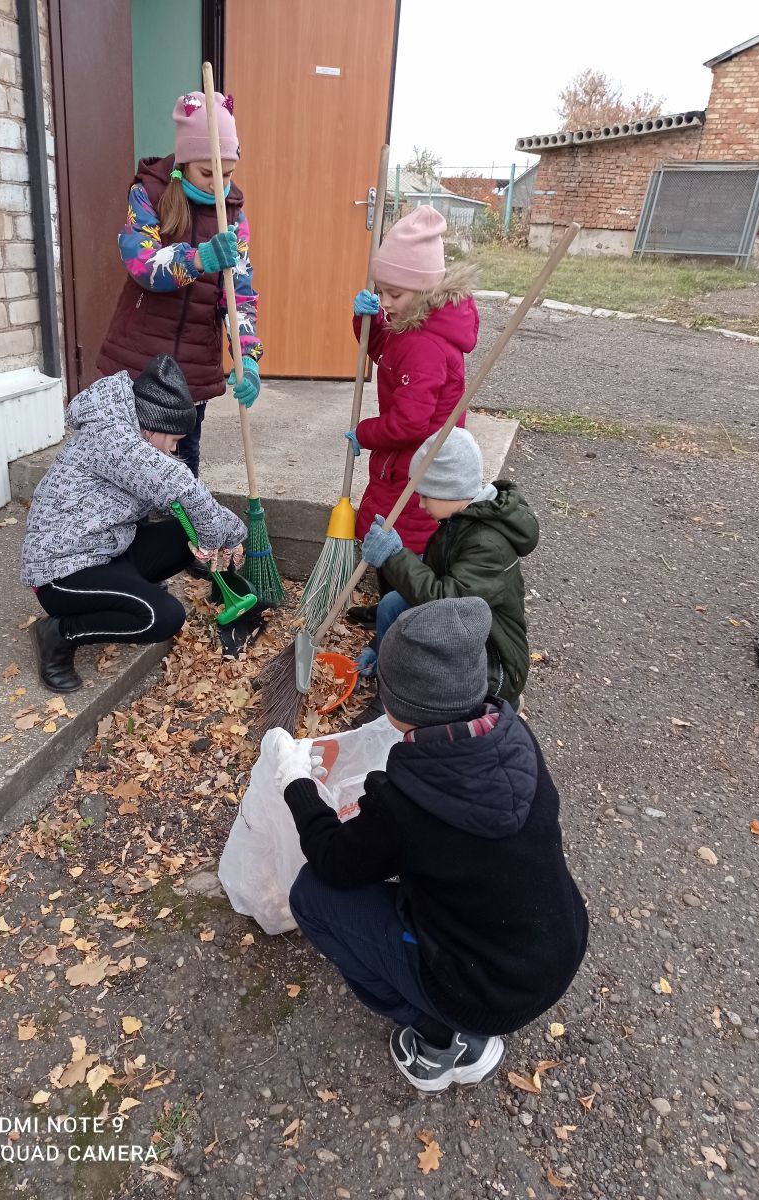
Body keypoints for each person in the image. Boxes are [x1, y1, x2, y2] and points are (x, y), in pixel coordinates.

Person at [273, 597, 589, 1093]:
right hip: (556, 948)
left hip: (484, 993)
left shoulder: (407, 803)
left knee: (312, 895)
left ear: (399, 704)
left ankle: (442, 1038)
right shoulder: (512, 733)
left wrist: (297, 785)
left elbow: (333, 860)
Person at [20, 355, 246, 692]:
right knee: (163, 618)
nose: (174, 450)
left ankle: (128, 592)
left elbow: (179, 503)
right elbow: (182, 487)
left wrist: (220, 534)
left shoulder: (129, 434)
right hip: (63, 571)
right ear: (151, 427)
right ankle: (59, 634)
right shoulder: (114, 441)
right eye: (173, 440)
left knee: (184, 531)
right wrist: (228, 535)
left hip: (106, 550)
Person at [97, 90, 262, 478]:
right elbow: (140, 263)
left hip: (192, 367)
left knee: (182, 464)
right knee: (131, 467)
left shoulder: (233, 218)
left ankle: (180, 521)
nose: (218, 184)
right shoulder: (148, 194)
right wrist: (197, 259)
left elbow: (239, 295)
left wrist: (248, 357)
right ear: (185, 162)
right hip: (139, 363)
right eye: (208, 173)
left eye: (228, 174)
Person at [344, 205, 479, 625]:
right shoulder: (412, 326)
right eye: (381, 291)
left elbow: (410, 422)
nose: (385, 302)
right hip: (402, 461)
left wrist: (364, 432)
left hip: (420, 467)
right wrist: (367, 321)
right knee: (388, 535)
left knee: (403, 543)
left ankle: (405, 622)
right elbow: (386, 352)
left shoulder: (426, 345)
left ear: (423, 290)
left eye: (394, 294)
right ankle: (390, 608)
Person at [353, 427, 539, 723]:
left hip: (492, 660)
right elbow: (427, 590)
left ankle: (493, 705)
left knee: (425, 675)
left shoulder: (487, 544)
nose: (421, 504)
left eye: (427, 495)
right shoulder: (457, 524)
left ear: (451, 490)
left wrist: (395, 556)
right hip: (463, 632)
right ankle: (388, 685)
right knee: (393, 604)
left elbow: (447, 604)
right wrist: (380, 647)